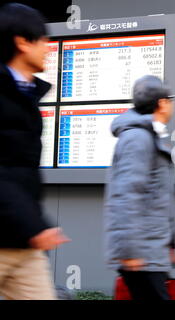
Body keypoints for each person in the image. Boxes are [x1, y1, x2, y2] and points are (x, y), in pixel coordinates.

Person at [0, 3, 70, 300]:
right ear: (22, 42)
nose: (48, 49)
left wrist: (33, 226)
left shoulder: (27, 95)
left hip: (23, 242)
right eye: (43, 41)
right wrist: (33, 224)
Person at [104, 75, 175, 300]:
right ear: (162, 103)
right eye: (170, 100)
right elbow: (127, 194)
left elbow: (158, 196)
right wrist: (129, 251)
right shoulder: (137, 138)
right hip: (141, 253)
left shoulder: (149, 136)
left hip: (151, 249)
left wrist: (170, 242)